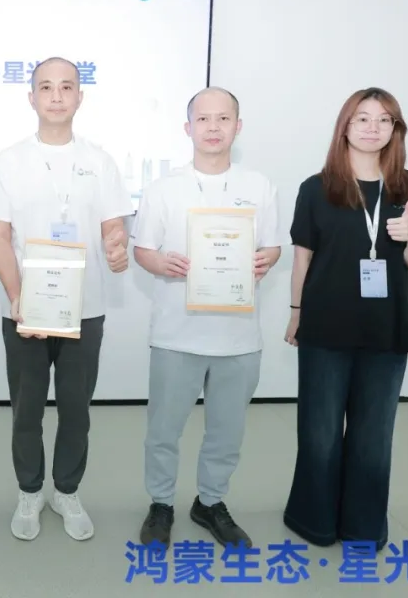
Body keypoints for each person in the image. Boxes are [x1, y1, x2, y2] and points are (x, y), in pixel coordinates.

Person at [0, 56, 134, 542]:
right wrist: (16, 295)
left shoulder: (100, 161)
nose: (57, 96)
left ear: (80, 97)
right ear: (32, 97)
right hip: (25, 309)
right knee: (26, 410)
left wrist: (117, 246)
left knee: (76, 410)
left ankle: (66, 490)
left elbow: (114, 226)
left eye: (67, 86)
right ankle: (29, 491)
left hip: (85, 309)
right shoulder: (8, 161)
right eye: (46, 87)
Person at [283, 87, 408, 551]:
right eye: (363, 118)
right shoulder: (316, 188)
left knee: (373, 436)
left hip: (385, 329)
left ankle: (363, 526)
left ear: (396, 129)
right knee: (320, 434)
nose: (373, 128)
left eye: (384, 120)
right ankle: (313, 520)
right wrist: (295, 313)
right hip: (325, 326)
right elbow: (302, 259)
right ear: (346, 127)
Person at [132, 87, 284, 549]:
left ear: (238, 127)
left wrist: (267, 259)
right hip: (176, 334)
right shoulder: (163, 189)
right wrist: (161, 263)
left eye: (223, 119)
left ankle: (211, 502)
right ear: (188, 128)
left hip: (238, 338)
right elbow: (143, 250)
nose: (213, 127)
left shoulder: (259, 186)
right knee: (164, 431)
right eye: (203, 119)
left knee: (226, 432)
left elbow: (273, 245)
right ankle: (161, 503)